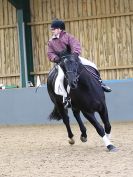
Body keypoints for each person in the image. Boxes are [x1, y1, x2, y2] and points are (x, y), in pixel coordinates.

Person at [47, 19, 112, 107]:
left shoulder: (68, 37)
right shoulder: (51, 41)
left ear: (59, 29)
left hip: (74, 59)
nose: (52, 30)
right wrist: (56, 59)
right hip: (62, 62)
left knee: (92, 65)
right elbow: (50, 53)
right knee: (59, 79)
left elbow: (75, 46)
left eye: (53, 29)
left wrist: (74, 55)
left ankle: (100, 83)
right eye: (52, 29)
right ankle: (66, 98)